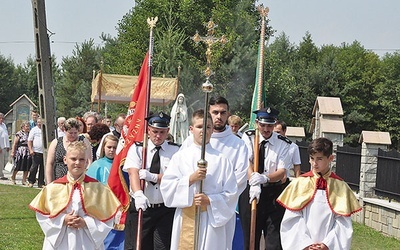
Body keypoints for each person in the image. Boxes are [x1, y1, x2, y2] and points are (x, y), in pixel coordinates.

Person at [160, 109, 238, 250]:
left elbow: (232, 193)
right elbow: (167, 187)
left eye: (208, 127)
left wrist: (210, 200)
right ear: (191, 129)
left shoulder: (222, 160)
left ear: (213, 129)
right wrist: (190, 179)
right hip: (186, 216)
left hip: (210, 218)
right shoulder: (180, 157)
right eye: (199, 127)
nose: (204, 131)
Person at [180, 96, 249, 249]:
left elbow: (240, 178)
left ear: (228, 114)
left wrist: (212, 199)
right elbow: (179, 171)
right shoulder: (190, 141)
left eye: (223, 113)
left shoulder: (238, 144)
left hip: (220, 210)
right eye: (215, 112)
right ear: (208, 113)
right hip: (191, 205)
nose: (219, 116)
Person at [29, 141, 121, 250]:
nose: (77, 163)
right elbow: (42, 216)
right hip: (61, 240)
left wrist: (86, 222)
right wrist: (63, 219)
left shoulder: (98, 189)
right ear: (65, 160)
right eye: (73, 159)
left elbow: (107, 218)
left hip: (87, 241)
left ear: (86, 162)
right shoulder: (53, 188)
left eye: (81, 159)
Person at [277, 137, 362, 250]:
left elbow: (343, 222)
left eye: (319, 159)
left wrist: (327, 244)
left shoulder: (340, 186)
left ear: (330, 158)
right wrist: (305, 244)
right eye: (312, 158)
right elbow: (292, 219)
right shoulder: (300, 183)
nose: (314, 163)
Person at [123, 111, 180, 250]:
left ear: (168, 131)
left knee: (162, 247)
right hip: (142, 208)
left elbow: (177, 178)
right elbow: (133, 172)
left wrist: (154, 177)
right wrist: (138, 194)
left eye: (162, 132)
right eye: (155, 131)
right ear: (148, 129)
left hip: (165, 209)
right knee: (137, 246)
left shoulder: (176, 151)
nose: (158, 136)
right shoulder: (137, 149)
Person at [239, 107, 291, 250]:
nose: (266, 129)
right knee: (250, 239)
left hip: (273, 194)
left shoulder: (283, 143)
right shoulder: (248, 137)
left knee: (274, 241)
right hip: (251, 192)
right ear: (257, 123)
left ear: (275, 124)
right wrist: (253, 180)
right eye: (263, 125)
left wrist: (264, 178)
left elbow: (281, 171)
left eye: (270, 125)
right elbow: (247, 162)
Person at [87, 134, 124, 249]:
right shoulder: (97, 165)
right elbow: (90, 189)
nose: (112, 150)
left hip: (120, 206)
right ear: (103, 147)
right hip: (103, 207)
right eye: (109, 147)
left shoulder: (122, 165)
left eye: (114, 147)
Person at [46, 118, 92, 184]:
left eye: (75, 133)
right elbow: (49, 163)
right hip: (60, 181)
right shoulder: (56, 142)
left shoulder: (84, 141)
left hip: (79, 181)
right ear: (64, 130)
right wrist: (49, 183)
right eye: (70, 133)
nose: (73, 135)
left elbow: (89, 161)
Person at [10, 121, 32, 185]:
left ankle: (24, 180)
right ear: (23, 127)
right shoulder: (19, 133)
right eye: (26, 126)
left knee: (27, 166)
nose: (28, 127)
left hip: (27, 151)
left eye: (28, 126)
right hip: (20, 151)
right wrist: (13, 152)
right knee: (18, 165)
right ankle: (13, 177)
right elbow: (15, 143)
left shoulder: (30, 133)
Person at [27, 118, 45, 188]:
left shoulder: (45, 129)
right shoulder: (34, 130)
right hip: (36, 152)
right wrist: (31, 149)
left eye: (40, 122)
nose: (39, 124)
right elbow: (29, 140)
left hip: (44, 152)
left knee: (43, 168)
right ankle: (31, 181)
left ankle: (41, 182)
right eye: (38, 122)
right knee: (34, 167)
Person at [0, 113, 10, 180]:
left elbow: (6, 136)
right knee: (0, 162)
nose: (1, 119)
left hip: (5, 146)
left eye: (2, 118)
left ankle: (3, 173)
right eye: (0, 118)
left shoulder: (3, 125)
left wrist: (8, 145)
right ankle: (1, 175)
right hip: (0, 146)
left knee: (4, 161)